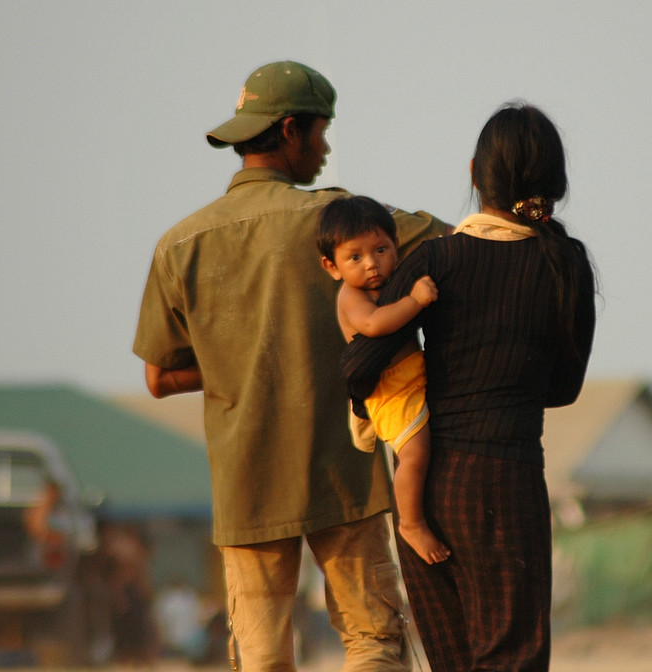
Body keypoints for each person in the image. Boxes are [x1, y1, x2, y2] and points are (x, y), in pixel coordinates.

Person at [132, 60, 450, 672]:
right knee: (373, 640)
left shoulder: (178, 244)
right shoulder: (345, 226)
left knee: (262, 657)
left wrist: (237, 360)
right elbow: (456, 243)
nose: (325, 148)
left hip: (246, 481)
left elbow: (159, 377)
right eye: (321, 131)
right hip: (344, 472)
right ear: (288, 131)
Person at [342, 103, 597, 672]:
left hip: (429, 486)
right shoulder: (567, 265)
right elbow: (565, 387)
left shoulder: (439, 259)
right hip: (511, 482)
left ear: (476, 173)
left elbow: (358, 365)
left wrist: (393, 407)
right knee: (513, 661)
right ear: (555, 181)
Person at [317, 196, 452, 565]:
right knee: (415, 452)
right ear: (332, 266)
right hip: (389, 388)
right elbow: (375, 325)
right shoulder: (351, 295)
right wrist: (417, 300)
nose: (372, 264)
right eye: (355, 257)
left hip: (412, 375)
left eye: (381, 249)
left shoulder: (392, 281)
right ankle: (411, 523)